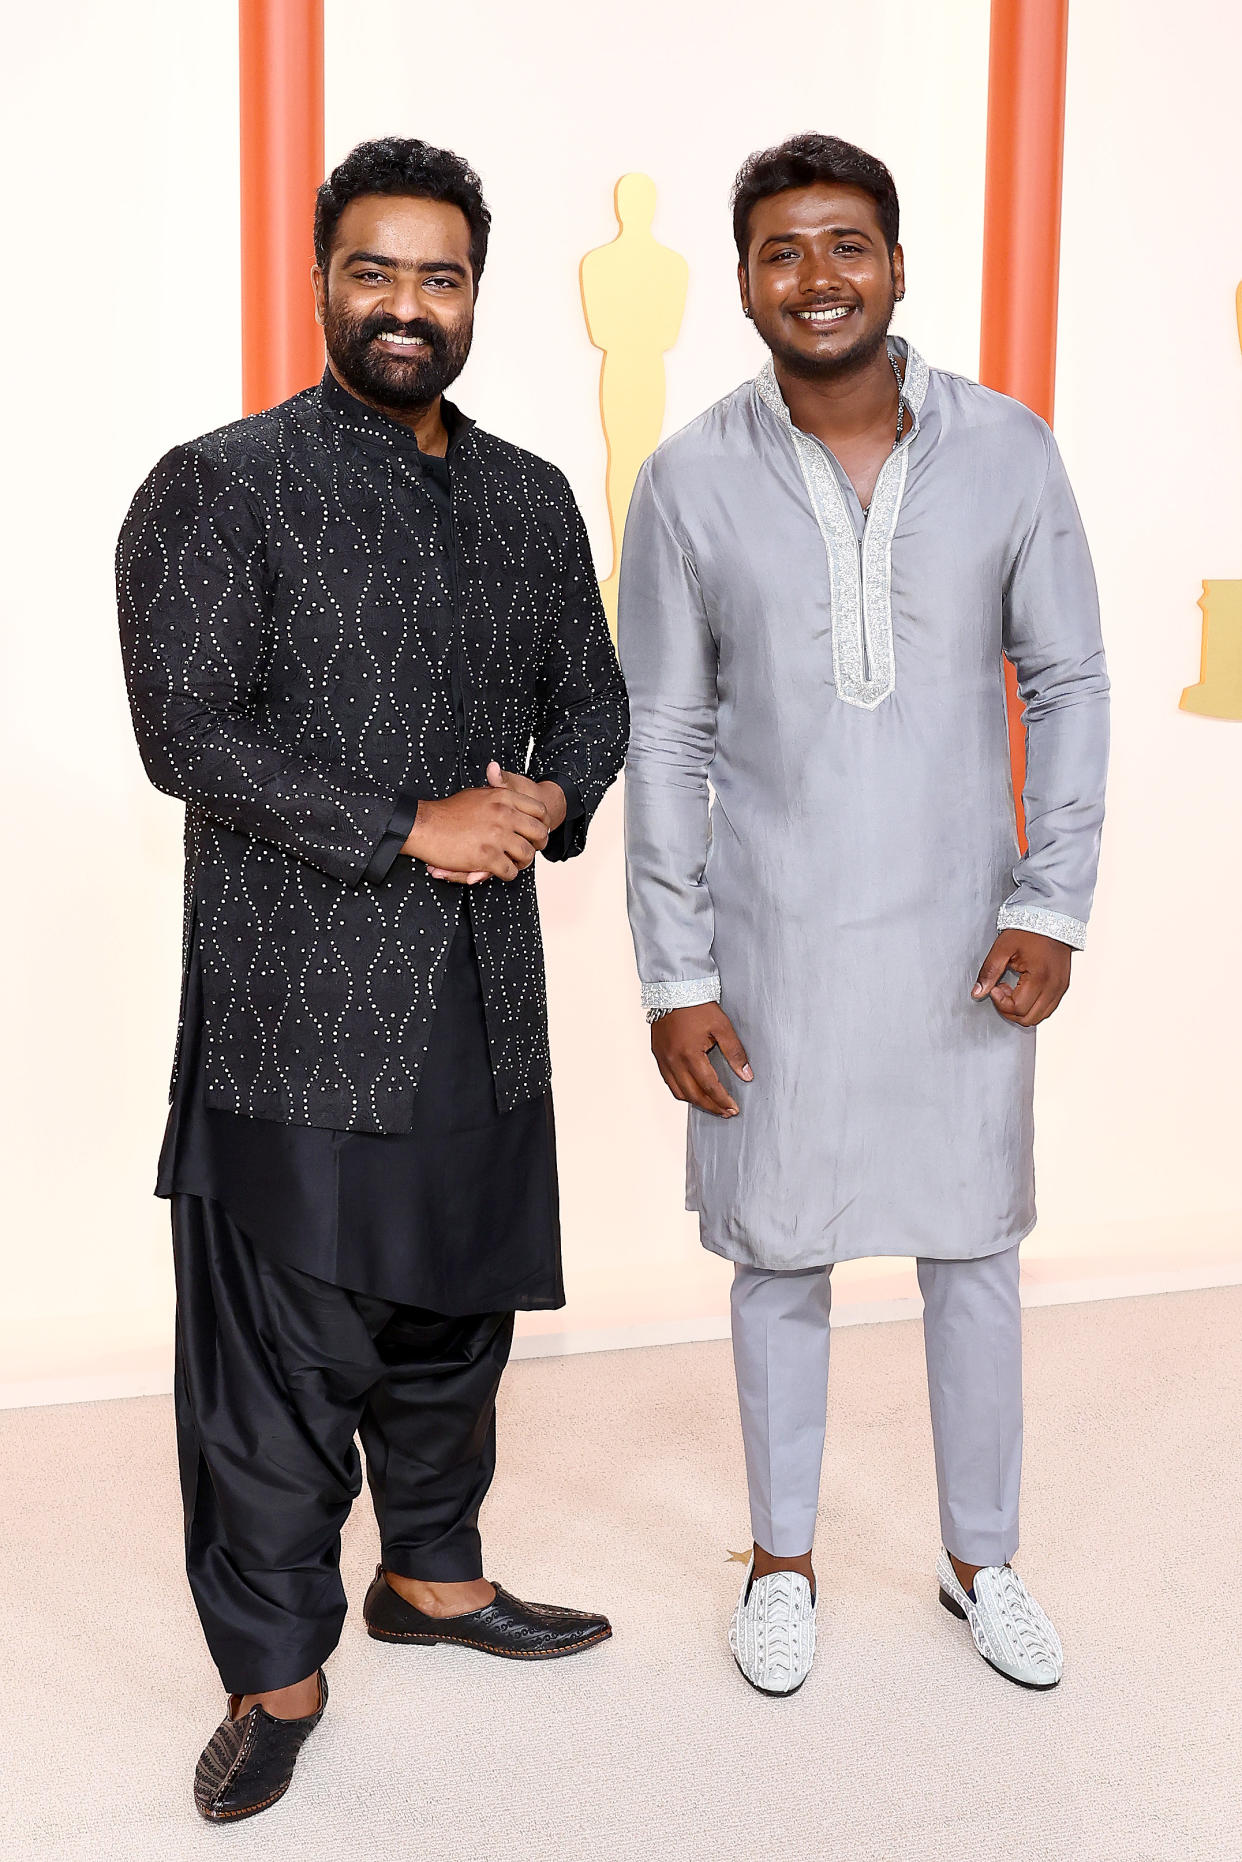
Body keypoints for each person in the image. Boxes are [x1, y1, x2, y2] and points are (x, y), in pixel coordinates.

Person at [117, 136, 628, 1820]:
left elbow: (594, 695)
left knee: (448, 1330)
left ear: (475, 292)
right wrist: (413, 824)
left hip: (482, 1003)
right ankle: (274, 1676)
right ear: (321, 277)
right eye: (375, 272)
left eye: (441, 277)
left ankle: (435, 1580)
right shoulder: (224, 482)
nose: (408, 306)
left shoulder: (530, 494)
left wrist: (544, 798)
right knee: (275, 1378)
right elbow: (189, 731)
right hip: (296, 1014)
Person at [619, 133, 1107, 1698]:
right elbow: (665, 734)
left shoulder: (1009, 450)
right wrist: (676, 968)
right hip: (768, 942)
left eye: (845, 245)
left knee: (973, 1248)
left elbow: (1069, 679)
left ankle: (981, 1560)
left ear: (898, 265)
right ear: (746, 279)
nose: (815, 277)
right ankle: (778, 1562)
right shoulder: (689, 475)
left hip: (969, 936)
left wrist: (1054, 896)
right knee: (779, 1253)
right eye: (780, 250)